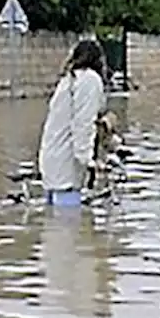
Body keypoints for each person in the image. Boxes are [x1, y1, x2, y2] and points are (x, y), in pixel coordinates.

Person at [38, 39, 108, 207]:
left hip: (51, 162)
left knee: (54, 225)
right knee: (69, 226)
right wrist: (90, 162)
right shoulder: (89, 81)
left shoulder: (68, 81)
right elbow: (83, 124)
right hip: (66, 167)